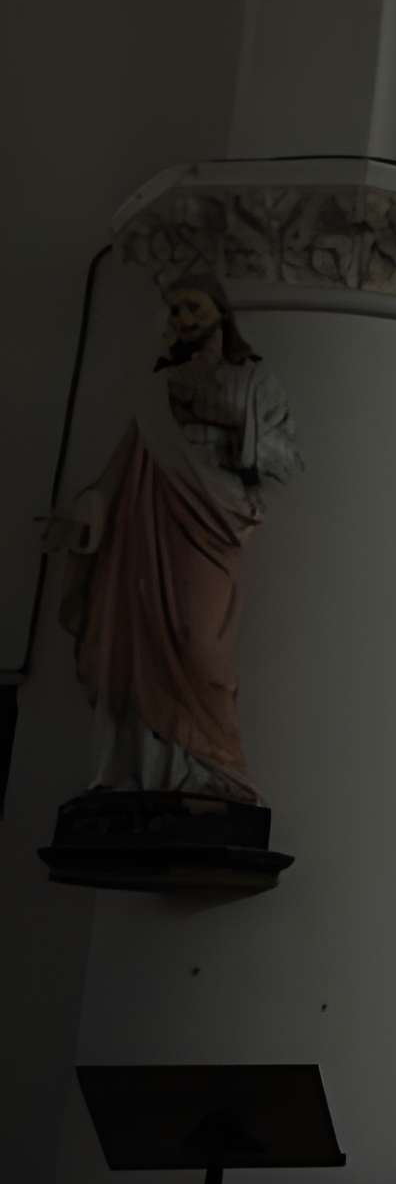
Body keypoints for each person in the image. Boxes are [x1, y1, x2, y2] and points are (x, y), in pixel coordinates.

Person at [58, 277, 303, 801]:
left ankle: (217, 768)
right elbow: (125, 461)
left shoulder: (252, 378)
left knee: (199, 642)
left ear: (220, 310)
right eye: (177, 309)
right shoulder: (157, 386)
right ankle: (150, 770)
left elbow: (287, 457)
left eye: (194, 305)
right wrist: (90, 504)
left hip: (215, 518)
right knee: (141, 631)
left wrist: (229, 417)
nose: (185, 317)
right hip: (151, 524)